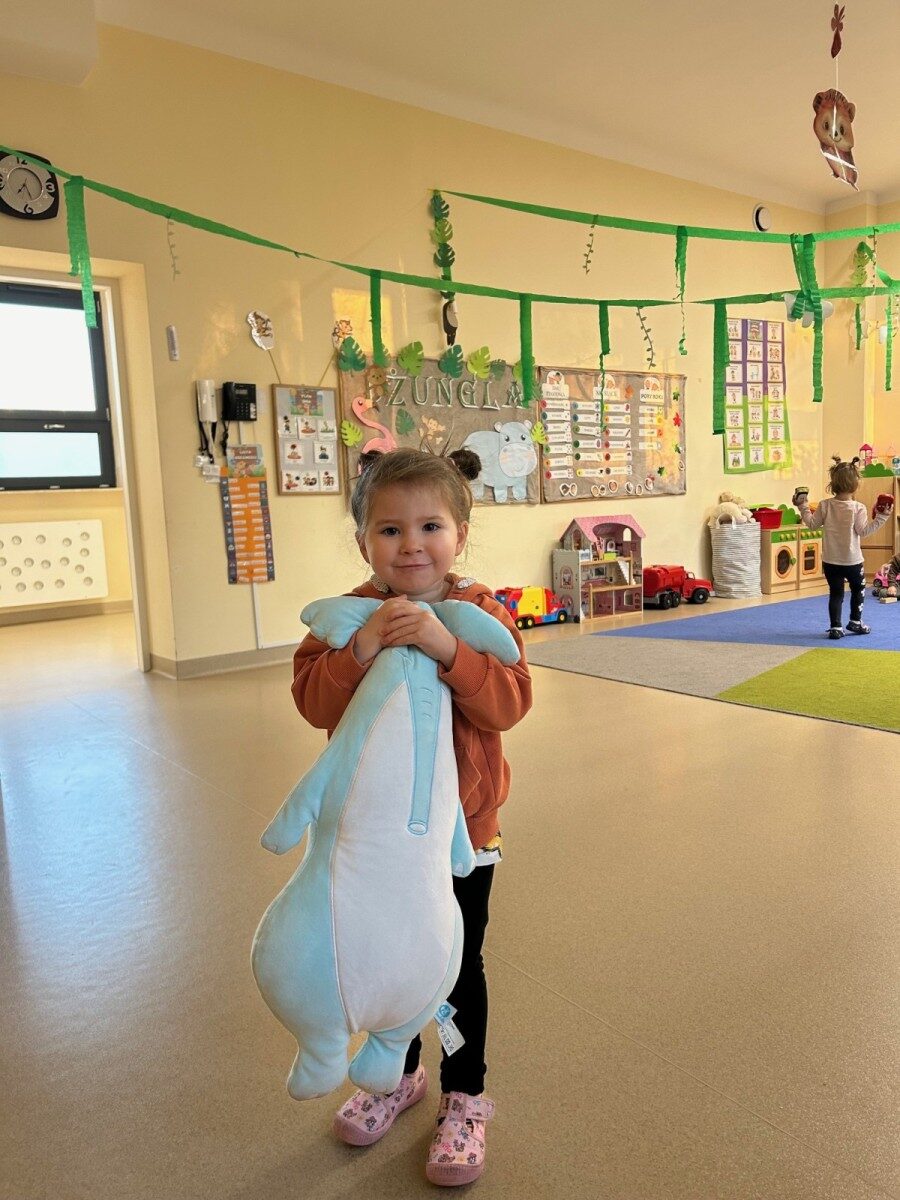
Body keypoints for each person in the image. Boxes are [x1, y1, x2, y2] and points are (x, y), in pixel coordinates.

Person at [290, 447, 532, 1186]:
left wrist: (448, 647)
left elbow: (509, 703)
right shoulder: (349, 616)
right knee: (385, 955)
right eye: (389, 530)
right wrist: (363, 647)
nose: (411, 545)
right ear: (363, 539)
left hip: (464, 838)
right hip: (375, 840)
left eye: (431, 526)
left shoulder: (481, 612)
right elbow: (313, 702)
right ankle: (397, 1074)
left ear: (461, 533)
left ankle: (465, 1096)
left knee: (455, 965)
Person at [794, 455, 894, 638]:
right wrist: (882, 517)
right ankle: (855, 621)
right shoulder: (858, 508)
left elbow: (812, 524)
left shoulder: (825, 505)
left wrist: (803, 506)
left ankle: (836, 627)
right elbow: (863, 532)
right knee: (858, 590)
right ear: (856, 485)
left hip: (830, 561)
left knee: (836, 593)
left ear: (833, 484)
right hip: (852, 561)